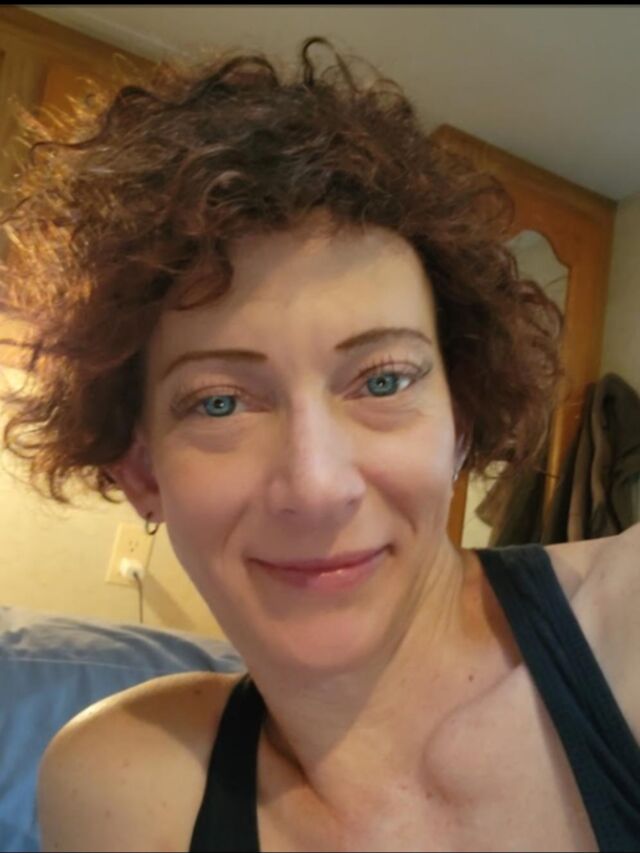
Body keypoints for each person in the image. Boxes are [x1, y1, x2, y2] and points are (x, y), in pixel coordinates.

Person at [1, 36, 638, 853]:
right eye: (220, 401)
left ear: (461, 421)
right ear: (141, 471)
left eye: (383, 380)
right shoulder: (118, 785)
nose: (316, 485)